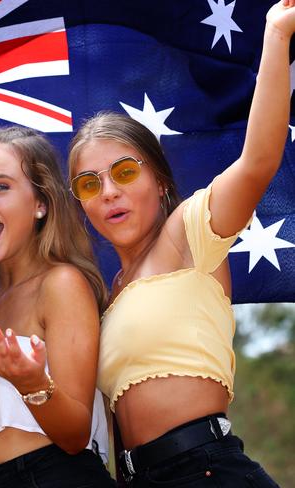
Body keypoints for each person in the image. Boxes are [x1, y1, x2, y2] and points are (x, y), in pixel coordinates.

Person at [67, 2, 294, 486]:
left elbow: (258, 162)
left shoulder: (189, 232)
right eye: (89, 184)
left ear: (161, 181)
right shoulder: (111, 291)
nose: (108, 191)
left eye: (125, 172)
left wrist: (276, 35)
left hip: (206, 470)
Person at [0, 126, 116, 487]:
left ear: (41, 202)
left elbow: (74, 436)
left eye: (1, 186)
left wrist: (31, 381)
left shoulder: (61, 284)